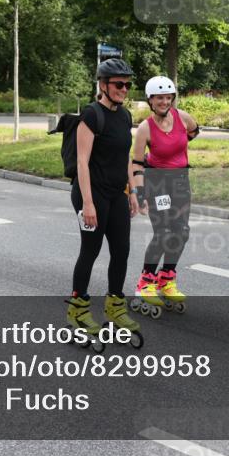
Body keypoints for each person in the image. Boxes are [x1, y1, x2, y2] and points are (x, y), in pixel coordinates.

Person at [65, 58, 142, 343]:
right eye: (118, 84)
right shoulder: (91, 115)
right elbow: (82, 163)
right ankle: (78, 309)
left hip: (116, 192)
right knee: (91, 250)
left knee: (121, 250)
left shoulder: (124, 117)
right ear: (102, 85)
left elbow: (125, 157)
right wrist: (87, 203)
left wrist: (132, 191)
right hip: (91, 193)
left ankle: (115, 306)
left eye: (127, 84)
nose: (124, 89)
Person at [130, 75, 200, 316]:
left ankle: (166, 279)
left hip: (180, 182)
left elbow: (194, 130)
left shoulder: (183, 118)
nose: (164, 101)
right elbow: (137, 163)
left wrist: (177, 149)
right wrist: (139, 192)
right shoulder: (145, 128)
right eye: (159, 97)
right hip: (158, 184)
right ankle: (145, 282)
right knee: (164, 233)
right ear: (150, 100)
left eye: (168, 97)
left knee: (182, 232)